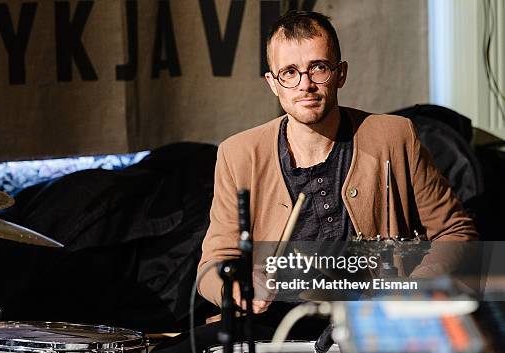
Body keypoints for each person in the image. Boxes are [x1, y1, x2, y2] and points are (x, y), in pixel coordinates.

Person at [197, 10, 478, 316]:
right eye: (289, 72)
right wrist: (239, 288)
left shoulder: (395, 136)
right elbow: (213, 265)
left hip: (375, 321)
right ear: (272, 83)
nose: (305, 85)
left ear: (340, 73)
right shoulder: (238, 153)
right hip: (274, 324)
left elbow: (455, 233)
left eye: (318, 68)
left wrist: (411, 290)